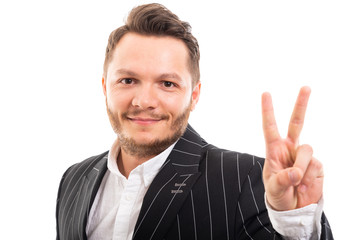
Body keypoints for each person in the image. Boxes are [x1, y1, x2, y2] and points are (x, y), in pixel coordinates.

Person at [56, 3, 333, 240]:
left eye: (167, 83)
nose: (143, 101)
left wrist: (295, 223)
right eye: (128, 80)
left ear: (194, 95)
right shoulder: (74, 178)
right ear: (105, 87)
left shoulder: (246, 179)